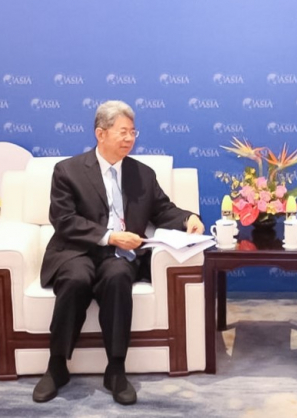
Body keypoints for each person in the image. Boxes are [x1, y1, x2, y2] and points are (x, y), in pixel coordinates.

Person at [33, 100, 204, 406]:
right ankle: (57, 365)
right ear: (100, 133)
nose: (129, 138)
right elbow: (64, 220)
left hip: (119, 257)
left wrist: (188, 218)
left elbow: (163, 210)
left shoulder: (142, 174)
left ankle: (115, 368)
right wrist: (110, 236)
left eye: (132, 132)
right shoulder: (68, 171)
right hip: (76, 251)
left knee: (118, 277)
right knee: (75, 280)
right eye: (122, 132)